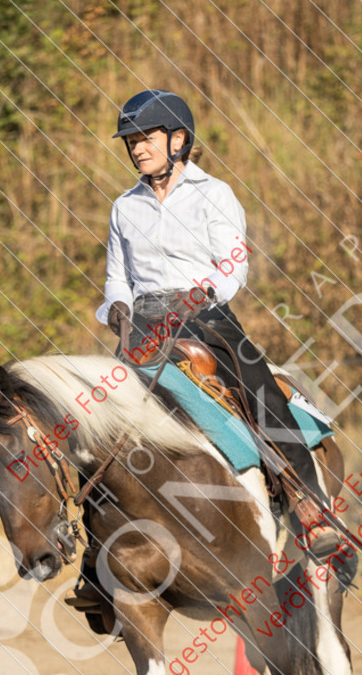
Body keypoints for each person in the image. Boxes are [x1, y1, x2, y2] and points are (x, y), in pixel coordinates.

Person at [68, 90, 338, 610]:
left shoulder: (215, 194)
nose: (136, 149)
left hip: (203, 315)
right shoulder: (124, 207)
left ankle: (309, 505)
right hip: (141, 327)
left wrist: (196, 300)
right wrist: (118, 309)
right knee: (95, 424)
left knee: (254, 384)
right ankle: (96, 563)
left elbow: (232, 266)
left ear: (178, 140)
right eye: (131, 141)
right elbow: (115, 280)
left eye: (145, 138)